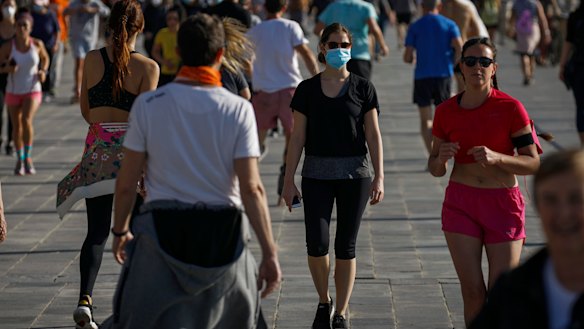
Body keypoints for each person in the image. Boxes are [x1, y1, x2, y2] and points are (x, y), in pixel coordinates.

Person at [104, 13, 281, 329]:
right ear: (220, 55)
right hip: (224, 235)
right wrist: (269, 253)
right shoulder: (237, 109)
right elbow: (252, 188)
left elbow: (127, 182)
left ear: (180, 53)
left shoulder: (149, 105)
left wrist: (119, 231)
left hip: (161, 233)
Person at [55, 0, 159, 327]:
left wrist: (105, 127)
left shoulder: (91, 59)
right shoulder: (148, 68)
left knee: (97, 233)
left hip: (97, 153)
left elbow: (86, 110)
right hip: (131, 154)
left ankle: (85, 299)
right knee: (139, 232)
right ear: (139, 29)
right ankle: (136, 302)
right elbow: (146, 118)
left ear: (109, 25)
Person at [428, 37, 541, 326]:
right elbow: (435, 169)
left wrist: (498, 158)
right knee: (473, 292)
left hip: (502, 204)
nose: (477, 66)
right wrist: (440, 158)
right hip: (461, 204)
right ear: (460, 68)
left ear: (494, 69)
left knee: (502, 293)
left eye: (484, 61)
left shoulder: (512, 108)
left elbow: (533, 162)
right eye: (470, 61)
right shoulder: (445, 111)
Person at [282, 22, 384, 329]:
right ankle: (323, 301)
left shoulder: (363, 87)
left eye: (345, 45)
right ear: (322, 48)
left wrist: (380, 177)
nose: (340, 50)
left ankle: (340, 312)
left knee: (346, 245)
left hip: (356, 175)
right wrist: (288, 180)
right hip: (316, 174)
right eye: (334, 44)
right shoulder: (307, 89)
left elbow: (373, 134)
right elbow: (297, 137)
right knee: (317, 242)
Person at [469, 149, 584, 329]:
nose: (564, 214)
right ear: (538, 207)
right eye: (550, 200)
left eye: (576, 199)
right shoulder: (512, 290)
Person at [246, 0, 319, 202]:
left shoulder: (255, 30)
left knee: (255, 142)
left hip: (263, 92)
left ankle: (253, 183)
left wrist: (254, 76)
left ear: (263, 8)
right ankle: (286, 182)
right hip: (289, 90)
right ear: (284, 8)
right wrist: (316, 80)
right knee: (292, 140)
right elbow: (306, 54)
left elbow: (244, 59)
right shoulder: (291, 27)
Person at [403, 0, 462, 154]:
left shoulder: (415, 26)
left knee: (426, 120)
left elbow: (407, 57)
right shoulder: (450, 25)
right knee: (443, 118)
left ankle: (432, 153)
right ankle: (442, 149)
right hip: (443, 76)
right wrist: (453, 63)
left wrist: (413, 58)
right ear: (439, 6)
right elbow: (460, 48)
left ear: (422, 6)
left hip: (422, 76)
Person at [0, 9, 49, 176]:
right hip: (13, 90)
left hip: (32, 89)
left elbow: (45, 58)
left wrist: (43, 71)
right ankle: (20, 159)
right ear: (15, 27)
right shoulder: (8, 46)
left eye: (25, 25)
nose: (21, 28)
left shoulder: (37, 44)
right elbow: (1, 66)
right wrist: (8, 68)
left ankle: (28, 157)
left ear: (30, 27)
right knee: (16, 126)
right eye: (19, 25)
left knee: (27, 120)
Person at [314, 0, 388, 79]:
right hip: (360, 56)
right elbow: (374, 29)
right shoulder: (365, 7)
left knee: (336, 88)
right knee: (361, 88)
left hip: (336, 56)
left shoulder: (333, 7)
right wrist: (383, 46)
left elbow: (317, 30)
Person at [64, 0, 110, 103]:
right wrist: (77, 10)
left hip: (91, 39)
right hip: (77, 38)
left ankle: (91, 88)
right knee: (79, 63)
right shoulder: (75, 3)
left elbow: (107, 11)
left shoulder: (95, 3)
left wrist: (92, 10)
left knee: (90, 64)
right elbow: (65, 12)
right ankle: (78, 90)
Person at [440, 0, 488, 92]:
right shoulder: (466, 7)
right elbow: (477, 31)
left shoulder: (440, 7)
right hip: (462, 47)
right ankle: (461, 104)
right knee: (462, 83)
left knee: (443, 84)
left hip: (444, 49)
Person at [508, 0, 551, 86]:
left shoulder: (516, 3)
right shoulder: (535, 3)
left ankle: (526, 75)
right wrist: (546, 32)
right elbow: (542, 18)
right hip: (533, 28)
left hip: (521, 29)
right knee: (530, 53)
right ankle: (530, 74)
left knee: (524, 54)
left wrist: (511, 29)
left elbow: (512, 18)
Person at [558, 1, 583, 146]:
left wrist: (562, 66)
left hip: (579, 68)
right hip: (579, 68)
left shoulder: (576, 16)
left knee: (581, 108)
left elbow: (568, 42)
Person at [30, 0, 60, 102]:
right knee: (36, 68)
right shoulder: (32, 15)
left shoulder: (51, 15)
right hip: (35, 47)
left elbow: (57, 30)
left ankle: (47, 90)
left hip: (49, 46)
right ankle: (38, 89)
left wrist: (56, 44)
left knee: (48, 68)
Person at [151, 5, 181, 86]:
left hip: (180, 72)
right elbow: (155, 52)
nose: (172, 22)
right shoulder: (162, 33)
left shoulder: (183, 33)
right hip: (165, 72)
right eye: (169, 19)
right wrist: (164, 62)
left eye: (175, 19)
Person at [0, 0, 15, 156]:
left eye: (11, 5)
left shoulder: (20, 28)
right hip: (0, 75)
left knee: (12, 112)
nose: (8, 9)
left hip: (15, 77)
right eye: (5, 5)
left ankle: (10, 140)